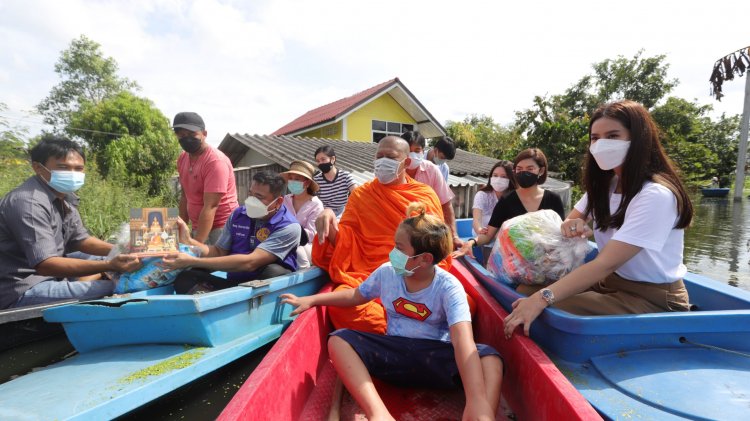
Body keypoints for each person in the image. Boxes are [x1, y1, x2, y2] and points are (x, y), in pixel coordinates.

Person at [282, 203, 502, 421]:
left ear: (425, 259)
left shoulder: (449, 287)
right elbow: (356, 295)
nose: (392, 253)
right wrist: (312, 300)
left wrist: (476, 398)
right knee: (339, 340)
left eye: (399, 248)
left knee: (490, 358)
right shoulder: (387, 273)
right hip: (394, 357)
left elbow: (463, 342)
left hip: (436, 360)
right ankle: (379, 414)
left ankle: (481, 413)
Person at [503, 100, 693, 339]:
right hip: (610, 283)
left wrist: (542, 299)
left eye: (613, 136)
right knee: (523, 290)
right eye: (595, 138)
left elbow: (605, 263)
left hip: (651, 298)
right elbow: (568, 223)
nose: (602, 144)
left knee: (546, 308)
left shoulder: (655, 195)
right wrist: (575, 224)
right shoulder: (606, 186)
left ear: (639, 139)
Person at [313, 136, 448, 334]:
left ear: (406, 162)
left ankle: (396, 333)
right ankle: (401, 332)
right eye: (379, 156)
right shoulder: (361, 195)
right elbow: (346, 242)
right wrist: (329, 216)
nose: (382, 161)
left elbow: (436, 244)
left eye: (390, 157)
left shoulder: (424, 195)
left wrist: (413, 275)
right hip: (367, 275)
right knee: (342, 308)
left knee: (467, 304)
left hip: (414, 272)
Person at [0, 135, 142, 309]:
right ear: (38, 167)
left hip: (50, 273)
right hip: (24, 287)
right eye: (63, 168)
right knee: (122, 287)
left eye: (78, 168)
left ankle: (81, 283)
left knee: (109, 257)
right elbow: (46, 264)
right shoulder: (28, 203)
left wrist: (126, 249)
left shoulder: (63, 196)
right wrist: (109, 265)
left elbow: (81, 240)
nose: (72, 174)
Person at [162, 171, 301, 294]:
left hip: (262, 287)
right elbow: (219, 251)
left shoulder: (288, 227)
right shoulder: (238, 214)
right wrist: (188, 241)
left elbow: (250, 263)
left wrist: (193, 260)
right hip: (234, 284)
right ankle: (220, 304)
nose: (251, 201)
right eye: (250, 194)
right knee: (186, 277)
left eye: (259, 197)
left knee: (274, 272)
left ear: (278, 202)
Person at [454, 148, 564, 258]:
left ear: (541, 171)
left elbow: (561, 236)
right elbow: (488, 235)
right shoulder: (507, 200)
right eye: (519, 169)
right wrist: (471, 242)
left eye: (530, 169)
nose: (523, 173)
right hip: (515, 262)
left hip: (548, 261)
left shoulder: (553, 199)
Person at [174, 112, 238, 245]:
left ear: (204, 134)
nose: (187, 139)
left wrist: (197, 245)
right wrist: (180, 232)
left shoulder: (215, 162)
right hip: (198, 226)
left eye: (192, 135)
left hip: (222, 227)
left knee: (213, 264)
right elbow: (185, 197)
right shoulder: (182, 159)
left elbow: (211, 205)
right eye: (182, 135)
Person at [401, 131, 462, 248]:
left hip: (426, 233)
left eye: (417, 150)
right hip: (399, 231)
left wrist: (454, 236)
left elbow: (445, 203)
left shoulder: (433, 170)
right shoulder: (394, 172)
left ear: (422, 151)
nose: (412, 155)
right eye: (408, 151)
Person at [281, 160, 324, 268]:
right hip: (284, 240)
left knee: (298, 249)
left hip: (308, 246)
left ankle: (304, 276)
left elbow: (311, 234)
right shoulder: (285, 200)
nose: (292, 181)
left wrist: (290, 234)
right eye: (290, 178)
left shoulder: (316, 204)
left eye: (297, 179)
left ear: (307, 183)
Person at [472, 160, 516, 237]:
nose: (498, 179)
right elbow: (476, 220)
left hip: (505, 239)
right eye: (495, 175)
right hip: (483, 237)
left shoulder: (515, 197)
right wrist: (479, 230)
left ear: (511, 179)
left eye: (504, 177)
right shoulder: (482, 195)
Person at [313, 145, 356, 217]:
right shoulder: (316, 180)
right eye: (318, 161)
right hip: (323, 214)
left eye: (323, 159)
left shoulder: (345, 176)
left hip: (343, 214)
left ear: (332, 159)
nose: (320, 163)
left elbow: (356, 192)